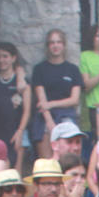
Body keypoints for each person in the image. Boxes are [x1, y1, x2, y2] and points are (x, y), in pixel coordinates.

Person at [32, 29, 83, 159]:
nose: (55, 45)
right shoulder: (39, 69)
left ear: (64, 45)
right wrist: (50, 122)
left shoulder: (72, 69)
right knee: (47, 160)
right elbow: (41, 100)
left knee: (69, 155)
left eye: (59, 42)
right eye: (52, 42)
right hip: (45, 115)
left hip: (66, 113)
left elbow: (74, 100)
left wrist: (51, 104)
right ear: (48, 46)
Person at [0, 41, 31, 172]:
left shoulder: (23, 82)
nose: (1, 60)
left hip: (16, 128)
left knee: (16, 170)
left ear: (13, 58)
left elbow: (27, 111)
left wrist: (20, 131)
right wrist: (5, 103)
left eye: (5, 56)